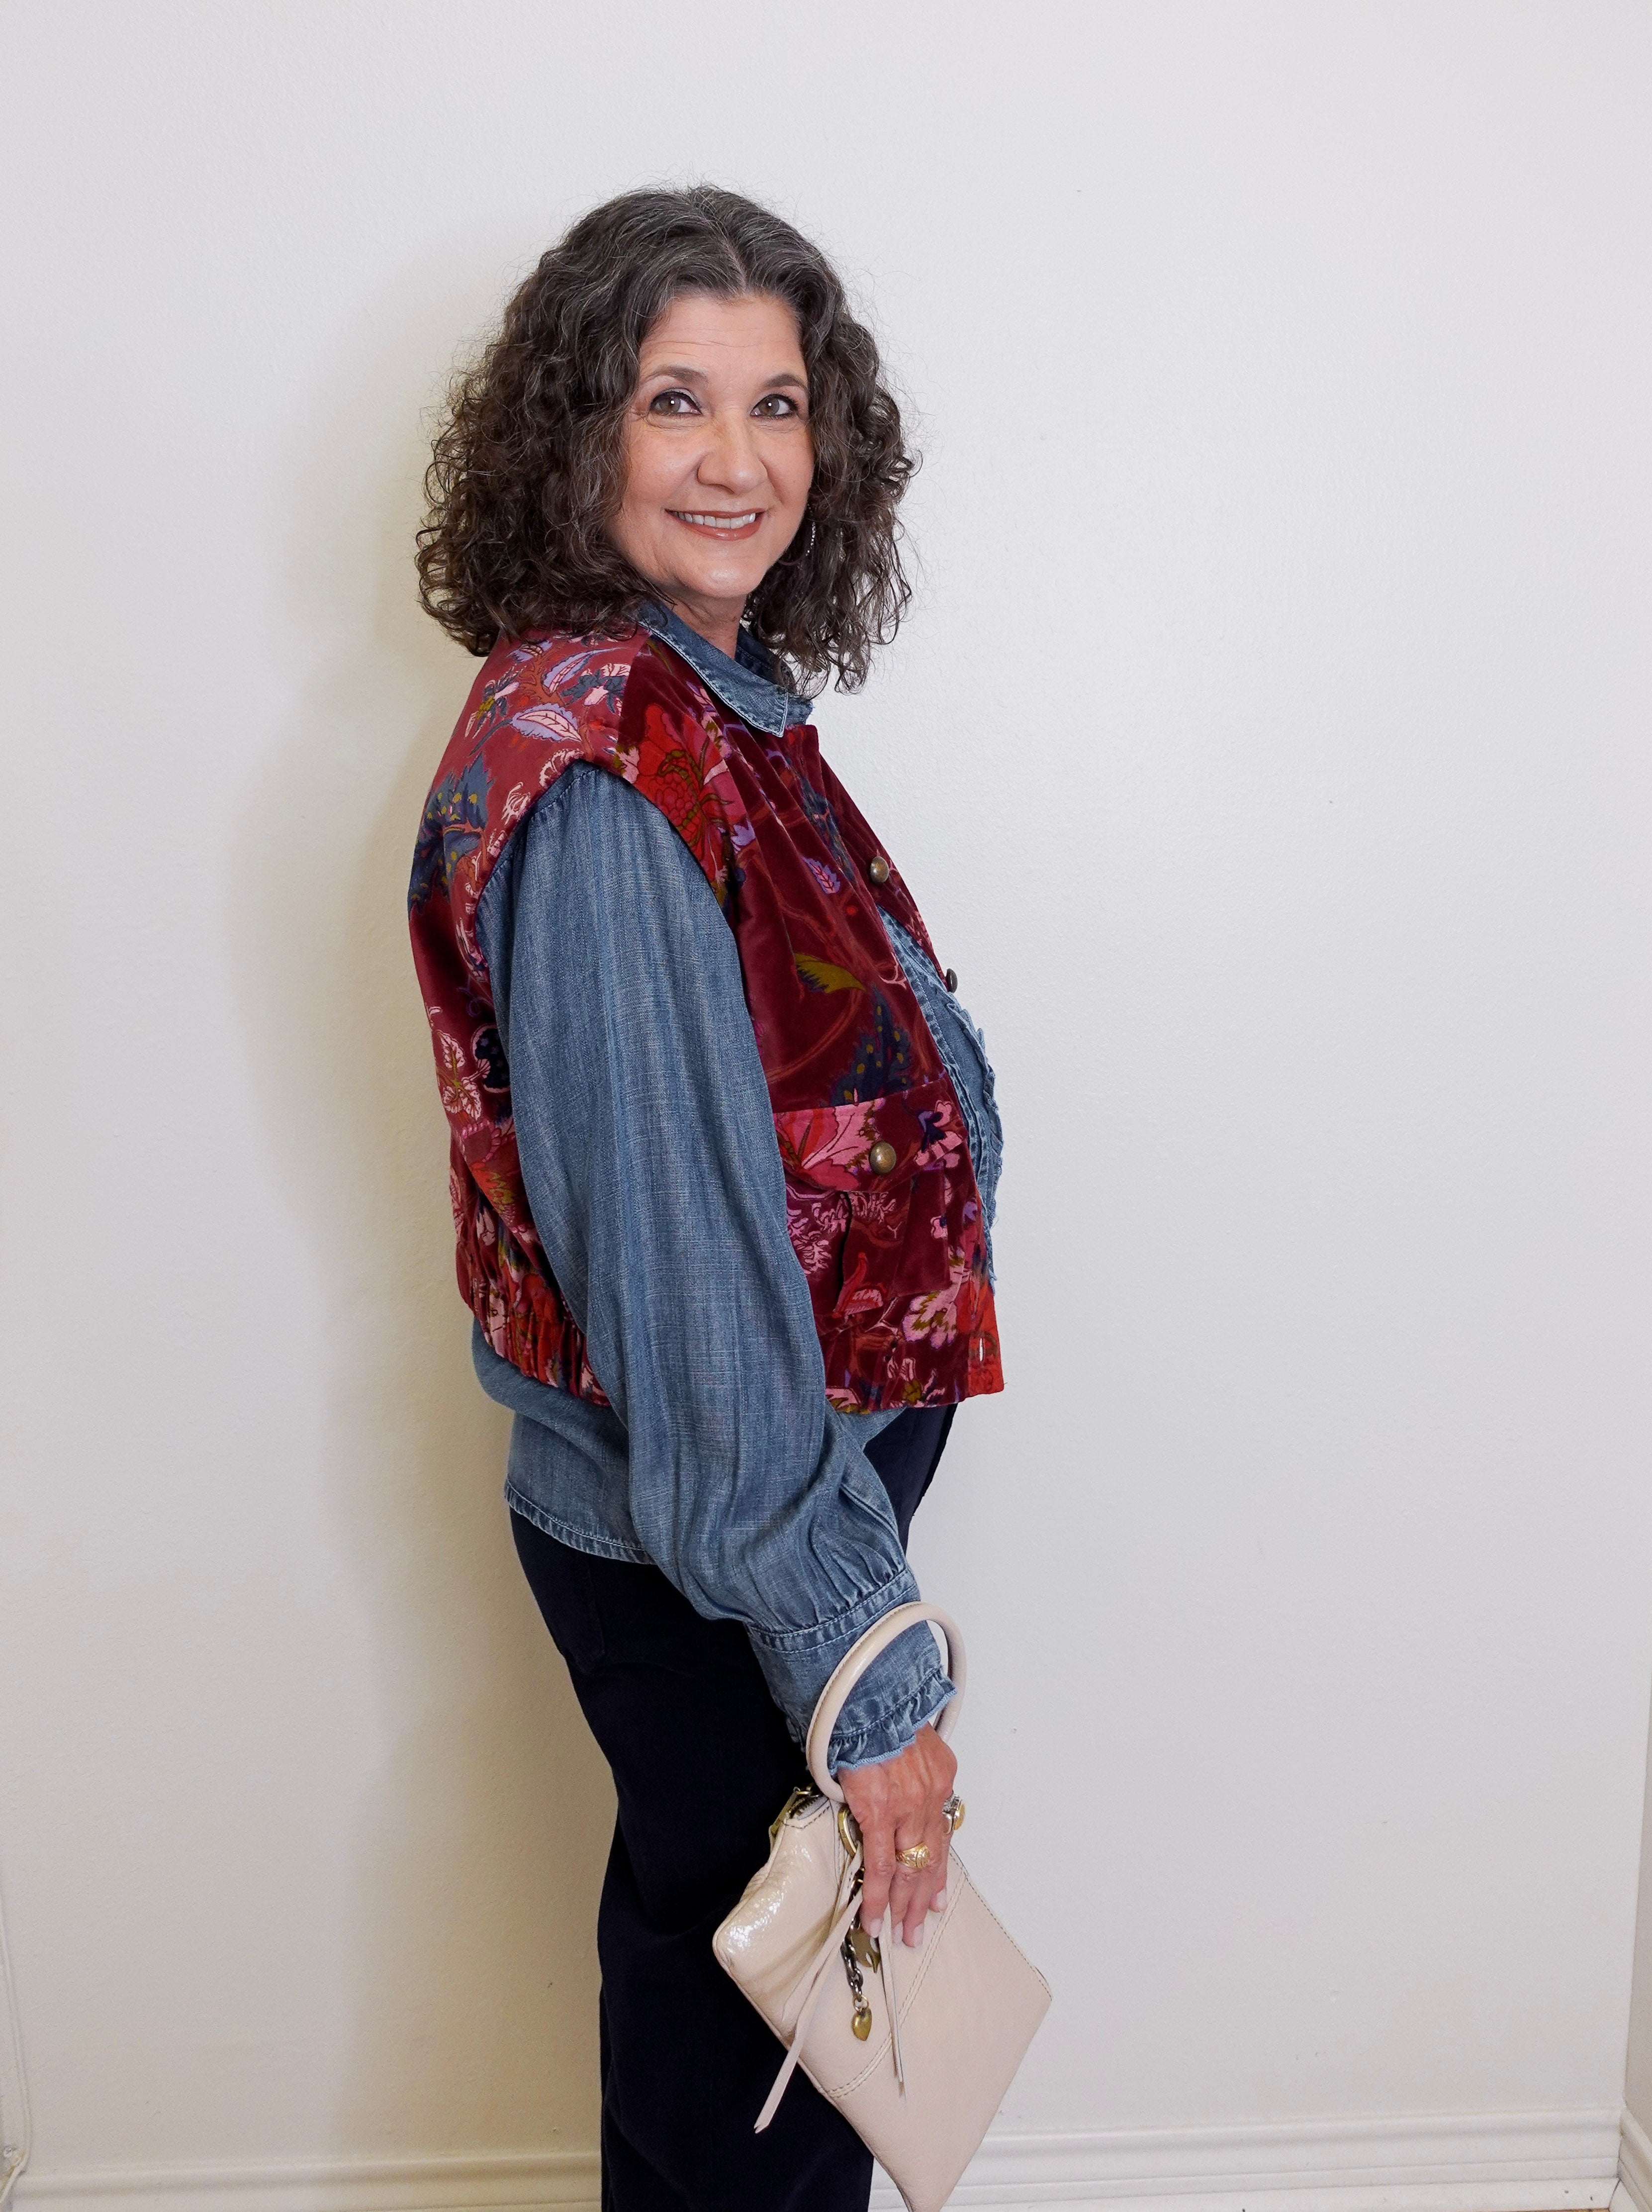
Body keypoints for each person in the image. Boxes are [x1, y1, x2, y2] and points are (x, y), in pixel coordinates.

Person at [408, 186, 1004, 2212]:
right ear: (581, 435)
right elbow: (681, 1290)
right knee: (785, 2064)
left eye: (778, 401)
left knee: (707, 1981)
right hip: (727, 1539)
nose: (739, 459)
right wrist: (867, 1668)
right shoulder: (605, 772)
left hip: (743, 1518)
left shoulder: (699, 707)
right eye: (678, 400)